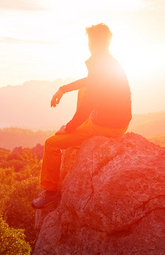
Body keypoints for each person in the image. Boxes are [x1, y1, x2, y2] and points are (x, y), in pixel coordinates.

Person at [31, 23, 132, 209]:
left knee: (51, 144)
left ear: (92, 43)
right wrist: (64, 89)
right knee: (84, 89)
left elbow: (87, 104)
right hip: (118, 121)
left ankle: (50, 191)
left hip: (105, 125)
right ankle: (78, 135)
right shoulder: (109, 62)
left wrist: (69, 128)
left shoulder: (100, 64)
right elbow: (91, 82)